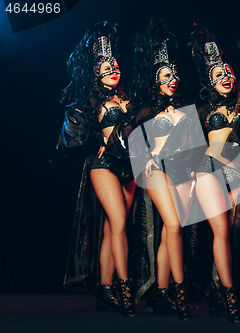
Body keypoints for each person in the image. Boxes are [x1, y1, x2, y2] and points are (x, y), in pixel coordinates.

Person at [57, 21, 136, 317]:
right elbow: (72, 138)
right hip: (103, 166)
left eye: (115, 63)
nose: (112, 68)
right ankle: (124, 287)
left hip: (130, 167)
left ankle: (104, 287)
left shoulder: (130, 97)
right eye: (105, 65)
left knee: (113, 226)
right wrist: (93, 140)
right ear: (93, 70)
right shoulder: (90, 100)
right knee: (117, 222)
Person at [126, 18, 200, 321]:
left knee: (174, 229)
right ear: (156, 80)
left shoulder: (185, 107)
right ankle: (179, 293)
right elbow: (130, 139)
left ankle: (162, 290)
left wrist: (195, 172)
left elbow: (195, 145)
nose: (173, 79)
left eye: (175, 74)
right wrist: (143, 158)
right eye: (167, 75)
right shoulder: (145, 109)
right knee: (172, 225)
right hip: (155, 169)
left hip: (182, 170)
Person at [189, 25, 240, 323]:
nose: (225, 77)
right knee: (221, 231)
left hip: (239, 173)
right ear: (208, 82)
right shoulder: (201, 110)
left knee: (237, 234)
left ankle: (223, 290)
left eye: (228, 72)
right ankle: (229, 296)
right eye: (217, 75)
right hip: (208, 170)